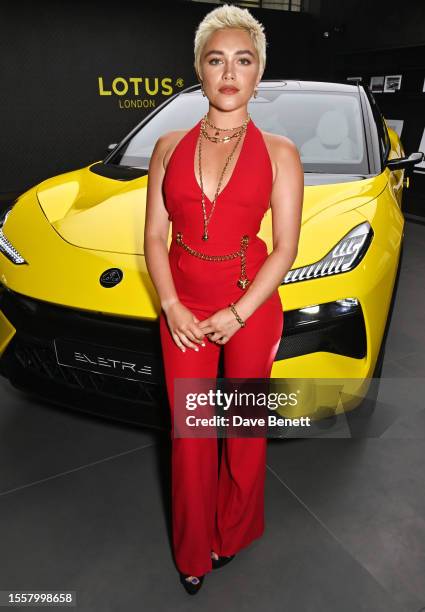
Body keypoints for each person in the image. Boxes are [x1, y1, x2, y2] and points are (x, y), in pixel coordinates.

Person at [144, 3, 303, 595]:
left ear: (258, 73)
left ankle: (230, 532)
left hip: (251, 307)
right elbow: (154, 237)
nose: (229, 72)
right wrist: (172, 306)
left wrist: (238, 314)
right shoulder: (167, 146)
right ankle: (192, 552)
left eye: (243, 60)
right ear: (199, 70)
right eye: (217, 60)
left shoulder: (282, 152)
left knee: (241, 431)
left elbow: (284, 247)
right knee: (191, 438)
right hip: (182, 309)